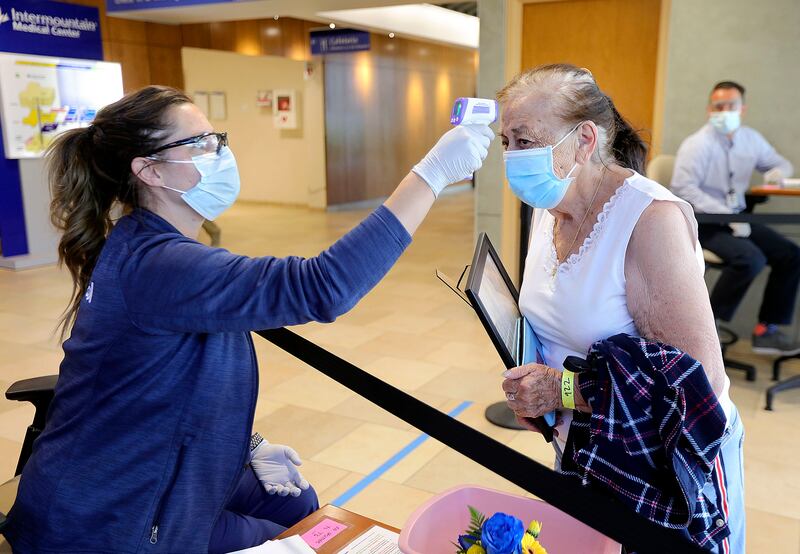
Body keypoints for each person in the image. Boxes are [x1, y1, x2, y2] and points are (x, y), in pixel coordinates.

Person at [4, 85, 494, 553]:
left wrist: (248, 443)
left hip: (146, 464)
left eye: (219, 138)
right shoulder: (160, 265)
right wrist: (429, 176)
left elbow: (161, 382)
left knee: (298, 502)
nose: (220, 151)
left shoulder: (150, 246)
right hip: (111, 521)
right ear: (150, 172)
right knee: (292, 538)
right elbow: (323, 286)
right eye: (202, 143)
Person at [496, 64, 744, 553]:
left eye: (525, 141)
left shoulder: (650, 221)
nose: (510, 157)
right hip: (589, 451)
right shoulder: (548, 211)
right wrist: (534, 384)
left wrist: (562, 389)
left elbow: (699, 387)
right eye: (504, 141)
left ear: (585, 140)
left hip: (665, 470)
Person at [671, 80, 799, 354]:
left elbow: (781, 163)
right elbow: (683, 189)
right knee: (750, 259)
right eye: (719, 106)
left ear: (742, 109)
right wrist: (727, 215)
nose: (725, 111)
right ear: (709, 109)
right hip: (705, 221)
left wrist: (777, 173)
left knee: (791, 254)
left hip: (740, 218)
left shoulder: (750, 139)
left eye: (731, 105)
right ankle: (706, 329)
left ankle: (768, 329)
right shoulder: (697, 145)